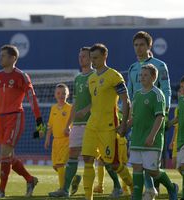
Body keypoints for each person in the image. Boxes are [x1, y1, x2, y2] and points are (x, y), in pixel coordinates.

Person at [0, 44, 45, 198]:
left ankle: (1, 191)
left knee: (5, 153)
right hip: (1, 118)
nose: (0, 58)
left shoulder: (21, 76)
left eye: (3, 55)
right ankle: (30, 179)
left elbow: (32, 98)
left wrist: (39, 121)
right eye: (0, 55)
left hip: (15, 117)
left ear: (13, 58)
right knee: (7, 156)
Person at [81, 43, 133, 200]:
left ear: (105, 56)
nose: (93, 61)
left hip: (109, 127)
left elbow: (126, 101)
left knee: (114, 164)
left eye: (96, 58)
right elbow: (97, 101)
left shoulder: (114, 76)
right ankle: (88, 197)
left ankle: (134, 188)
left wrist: (123, 124)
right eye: (91, 58)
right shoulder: (91, 78)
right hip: (92, 126)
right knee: (88, 159)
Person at [127, 31, 171, 199]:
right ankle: (149, 189)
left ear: (149, 46)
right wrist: (126, 119)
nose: (138, 48)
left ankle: (154, 188)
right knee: (138, 159)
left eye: (142, 45)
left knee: (150, 160)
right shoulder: (132, 68)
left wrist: (165, 112)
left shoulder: (159, 65)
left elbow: (166, 89)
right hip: (137, 119)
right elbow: (130, 96)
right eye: (136, 45)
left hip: (154, 116)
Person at [48, 47, 94, 197]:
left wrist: (87, 110)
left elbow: (99, 100)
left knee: (96, 159)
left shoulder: (94, 76)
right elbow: (76, 103)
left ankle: (117, 187)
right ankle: (65, 190)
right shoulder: (78, 78)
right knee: (73, 155)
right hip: (78, 124)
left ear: (91, 58)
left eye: (84, 57)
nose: (81, 59)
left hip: (92, 123)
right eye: (79, 56)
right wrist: (69, 124)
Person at [129, 64, 178, 200]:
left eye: (145, 75)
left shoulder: (157, 94)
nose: (142, 77)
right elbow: (134, 117)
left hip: (152, 141)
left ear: (153, 77)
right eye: (141, 75)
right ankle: (137, 197)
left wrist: (152, 136)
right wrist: (124, 127)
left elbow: (160, 117)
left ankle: (171, 187)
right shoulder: (137, 94)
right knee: (137, 168)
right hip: (137, 139)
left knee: (152, 170)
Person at [44, 83, 72, 194]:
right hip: (56, 141)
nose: (61, 95)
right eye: (59, 93)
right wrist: (47, 139)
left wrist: (69, 128)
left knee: (60, 164)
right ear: (55, 95)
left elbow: (73, 122)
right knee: (56, 166)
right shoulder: (53, 108)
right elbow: (50, 125)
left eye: (64, 93)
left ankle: (63, 189)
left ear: (68, 95)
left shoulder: (70, 108)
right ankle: (73, 178)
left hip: (66, 140)